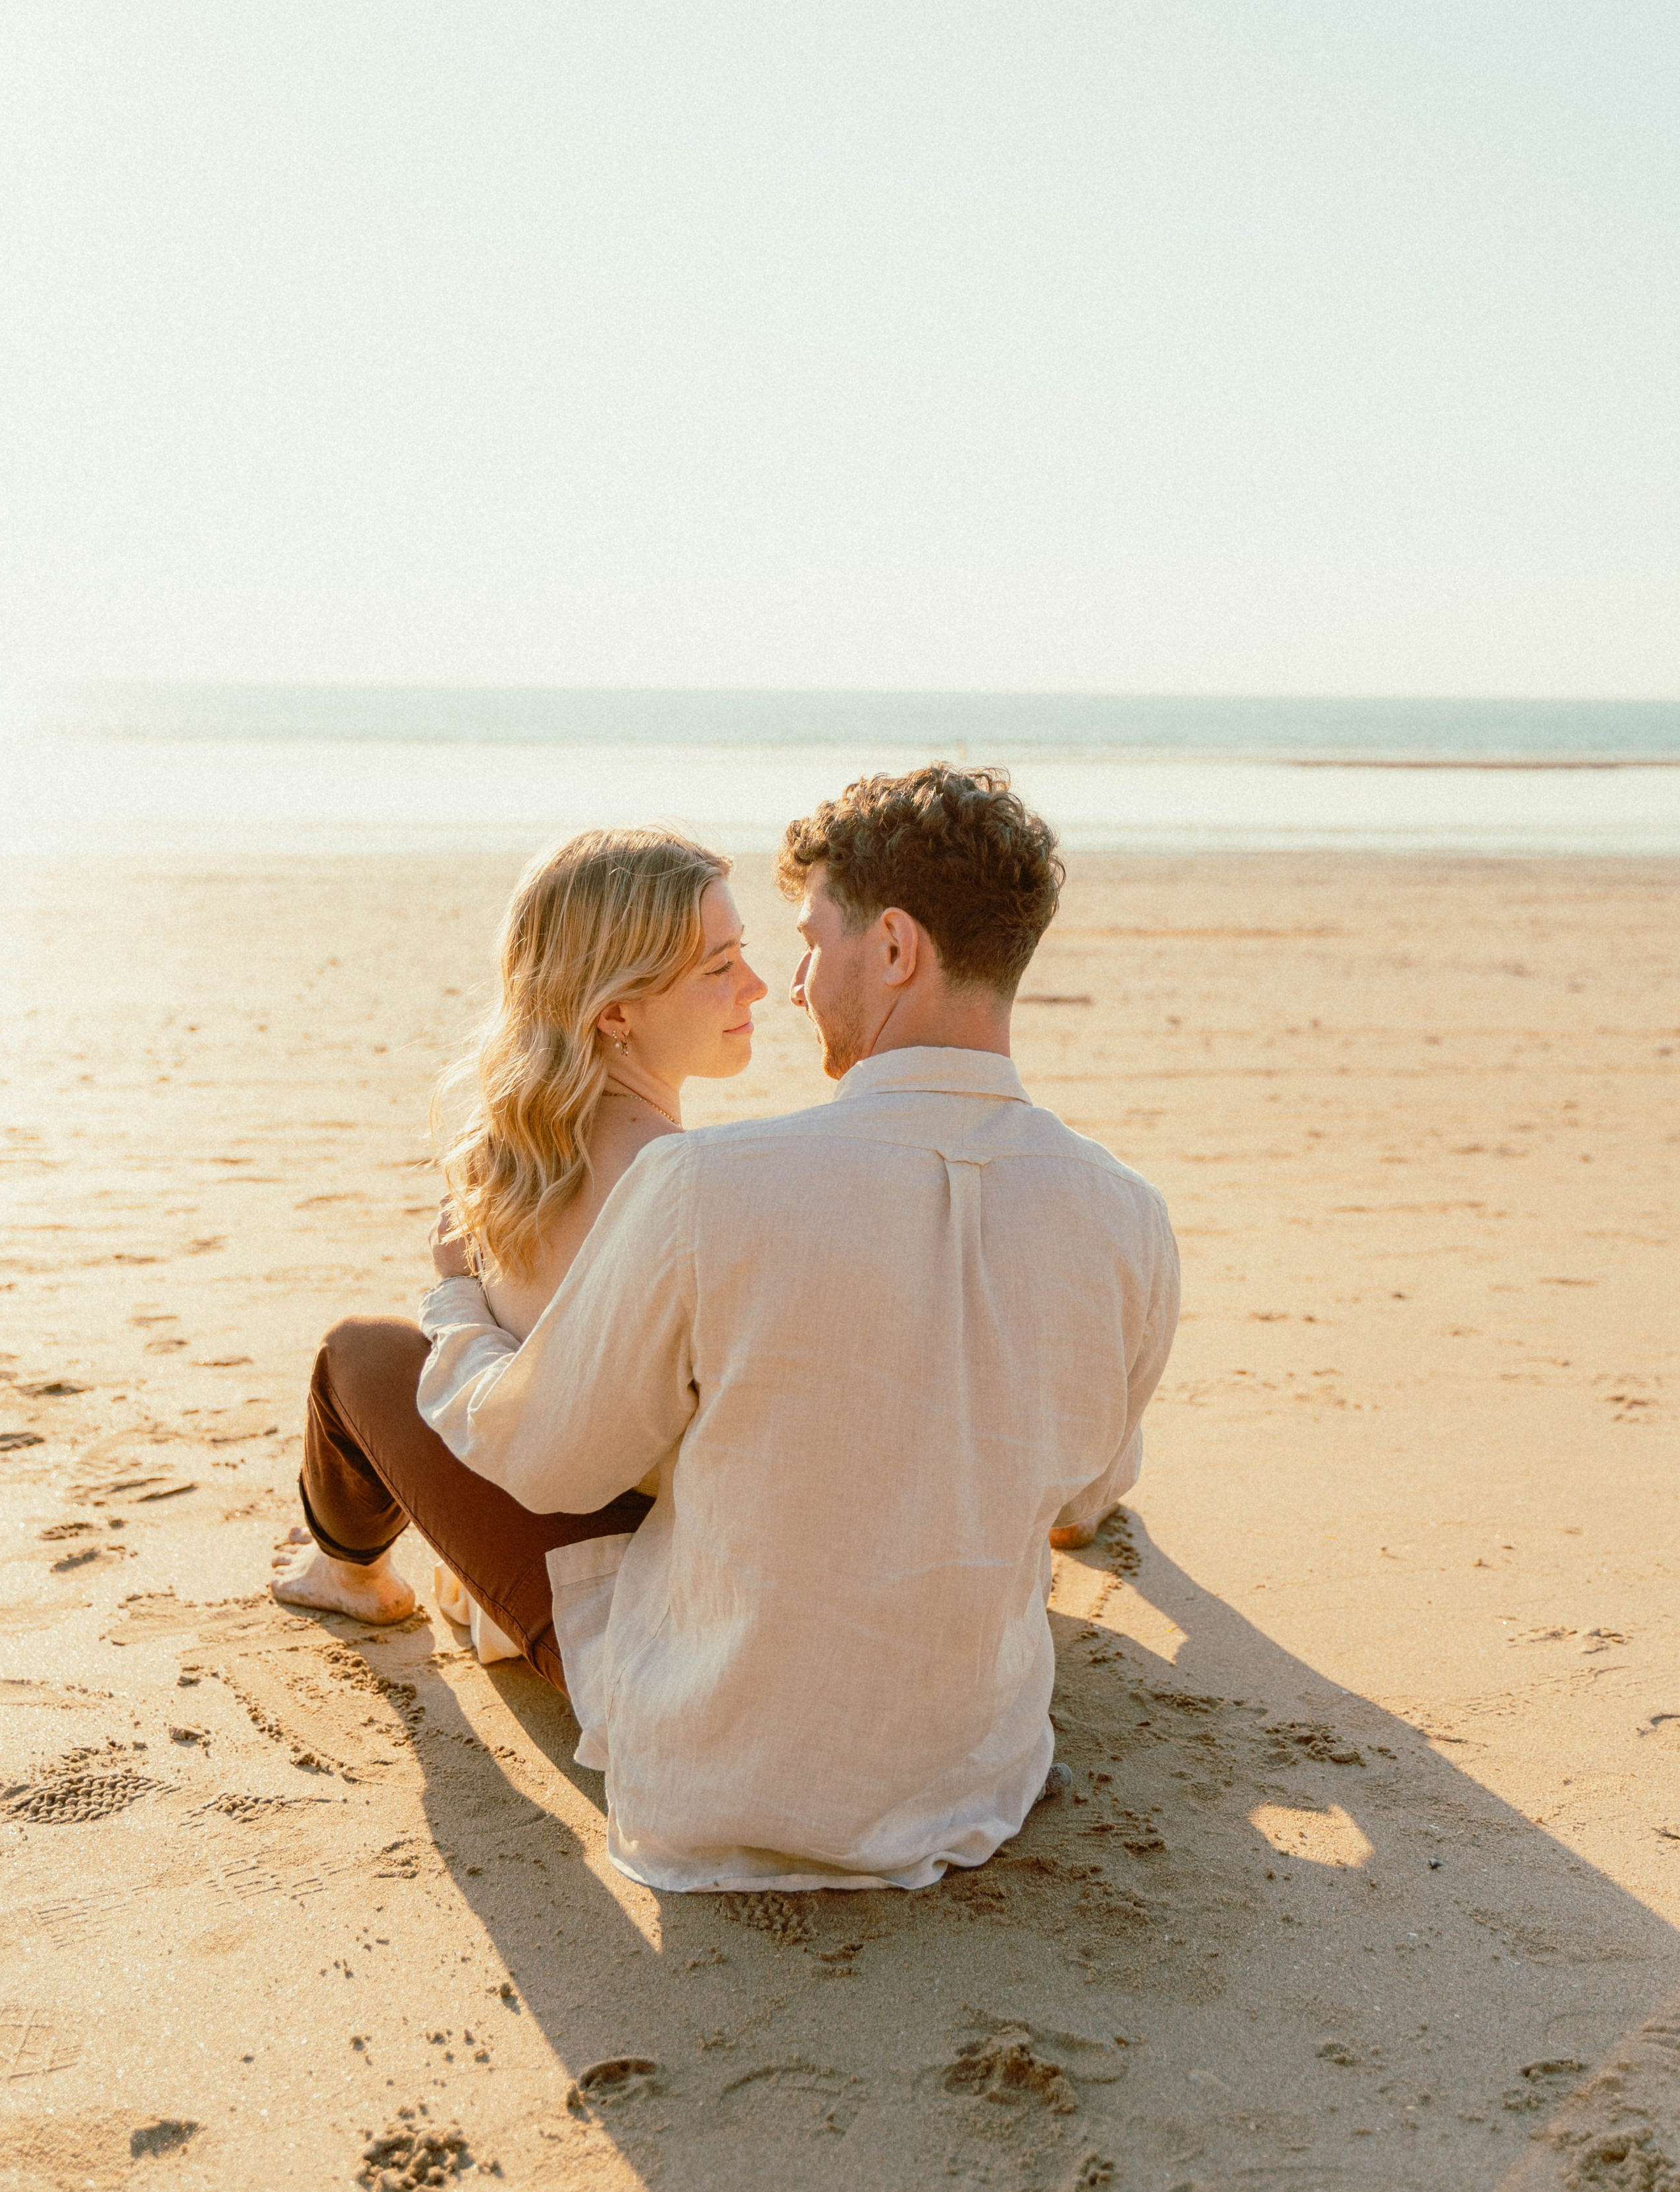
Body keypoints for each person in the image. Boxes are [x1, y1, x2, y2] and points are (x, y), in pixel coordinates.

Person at [416, 764, 1180, 1894]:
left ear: (896, 948)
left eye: (812, 940)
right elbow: (1084, 1495)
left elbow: (548, 1459)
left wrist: (454, 1311)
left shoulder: (706, 1185)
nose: (793, 981)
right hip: (976, 1778)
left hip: (720, 1777)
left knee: (381, 1366)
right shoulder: (1129, 1217)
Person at [268, 827, 767, 1689]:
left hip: (638, 1608)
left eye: (741, 954)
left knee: (358, 1354)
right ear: (615, 1011)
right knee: (389, 1352)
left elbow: (548, 1449)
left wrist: (455, 1293)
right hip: (649, 1550)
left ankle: (346, 1570)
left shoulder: (508, 1156)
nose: (756, 985)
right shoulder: (682, 1186)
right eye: (719, 966)